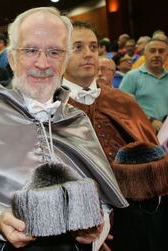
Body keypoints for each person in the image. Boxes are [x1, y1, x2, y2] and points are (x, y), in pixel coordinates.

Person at [0, 7, 128, 251]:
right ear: (11, 58)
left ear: (64, 60)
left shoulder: (77, 121)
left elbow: (105, 204)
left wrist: (95, 228)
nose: (42, 63)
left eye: (54, 52)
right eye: (30, 50)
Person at [62, 21, 167, 251]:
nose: (89, 54)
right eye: (77, 47)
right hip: (80, 224)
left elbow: (153, 157)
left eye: (93, 46)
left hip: (135, 216)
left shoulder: (122, 100)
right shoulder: (51, 106)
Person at [120, 38, 168, 131]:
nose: (157, 55)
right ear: (144, 54)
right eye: (152, 51)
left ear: (166, 55)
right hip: (141, 132)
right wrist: (149, 120)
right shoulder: (132, 76)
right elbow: (122, 107)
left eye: (161, 51)